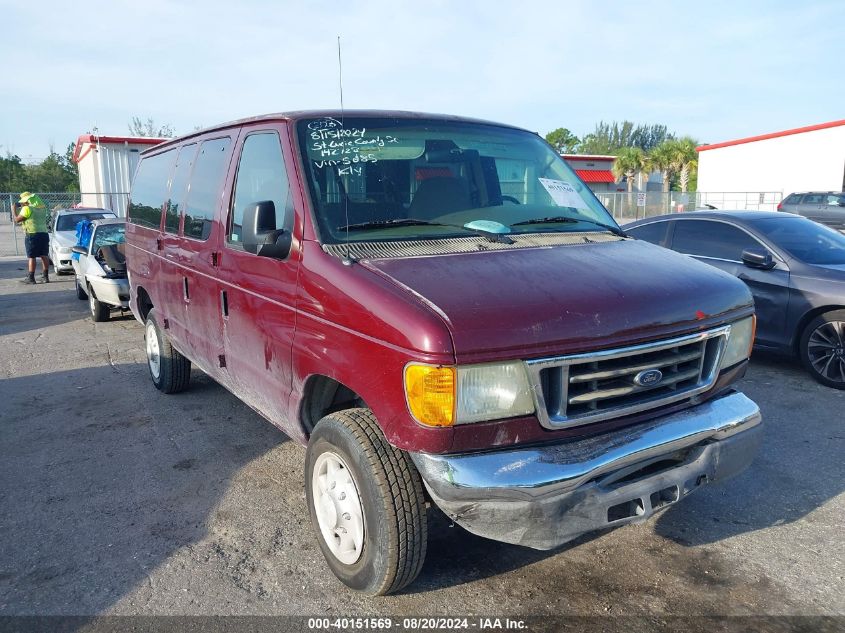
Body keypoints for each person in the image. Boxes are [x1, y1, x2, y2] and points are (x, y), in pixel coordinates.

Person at [14, 192, 50, 284]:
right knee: (44, 255)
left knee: (31, 256)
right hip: (44, 233)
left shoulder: (27, 208)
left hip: (32, 234)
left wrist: (14, 210)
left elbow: (17, 220)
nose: (21, 203)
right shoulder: (42, 208)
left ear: (26, 201)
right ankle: (45, 277)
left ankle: (31, 278)